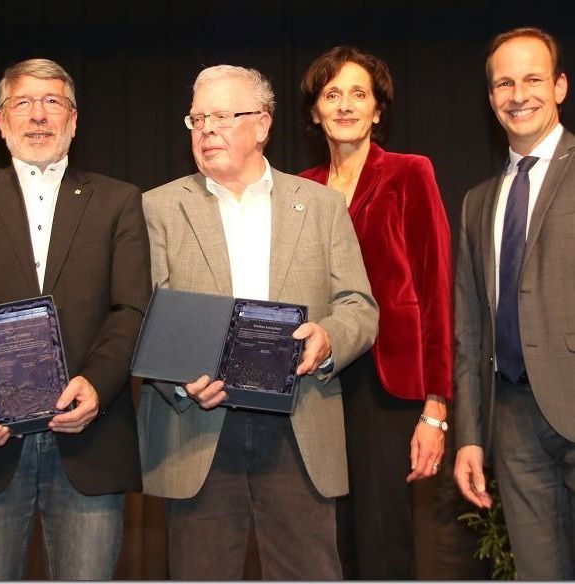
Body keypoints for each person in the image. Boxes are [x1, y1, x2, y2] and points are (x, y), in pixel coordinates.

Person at [137, 64, 378, 580]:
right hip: (197, 428)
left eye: (222, 116)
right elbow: (143, 317)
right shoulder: (157, 208)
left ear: (262, 125)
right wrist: (179, 380)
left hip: (299, 424)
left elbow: (360, 305)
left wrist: (329, 338)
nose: (207, 129)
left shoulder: (321, 206)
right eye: (197, 118)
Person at [0, 59, 151, 579]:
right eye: (23, 103)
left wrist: (96, 383)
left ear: (74, 119)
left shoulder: (119, 201)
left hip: (91, 436)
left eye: (53, 103)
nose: (38, 116)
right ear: (1, 121)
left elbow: (130, 307)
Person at [298, 46, 453, 579]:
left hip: (387, 386)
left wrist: (436, 407)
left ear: (378, 109)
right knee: (324, 536)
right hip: (315, 381)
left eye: (358, 94)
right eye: (332, 94)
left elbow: (435, 290)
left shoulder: (410, 173)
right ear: (315, 111)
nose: (345, 105)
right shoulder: (300, 189)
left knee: (383, 538)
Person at [454, 27, 575, 579]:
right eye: (505, 82)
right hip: (512, 421)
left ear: (560, 87)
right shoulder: (477, 203)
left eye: (532, 79)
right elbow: (469, 330)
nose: (518, 94)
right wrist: (472, 435)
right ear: (489, 97)